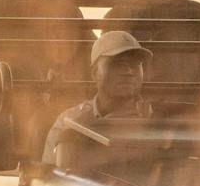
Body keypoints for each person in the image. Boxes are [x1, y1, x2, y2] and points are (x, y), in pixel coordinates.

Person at [44, 30, 154, 172]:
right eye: (117, 63)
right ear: (94, 73)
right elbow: (52, 183)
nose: (128, 71)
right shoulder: (71, 123)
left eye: (135, 64)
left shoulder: (158, 120)